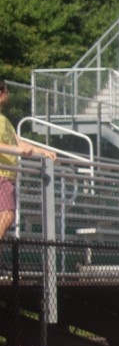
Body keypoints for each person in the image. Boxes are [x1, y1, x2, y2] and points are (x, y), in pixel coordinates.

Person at [0, 80, 57, 257]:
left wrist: (43, 151)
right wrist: (16, 149)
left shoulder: (4, 120)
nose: (8, 94)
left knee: (6, 216)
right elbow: (16, 147)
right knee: (8, 215)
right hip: (2, 175)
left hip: (8, 176)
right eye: (6, 91)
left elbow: (20, 143)